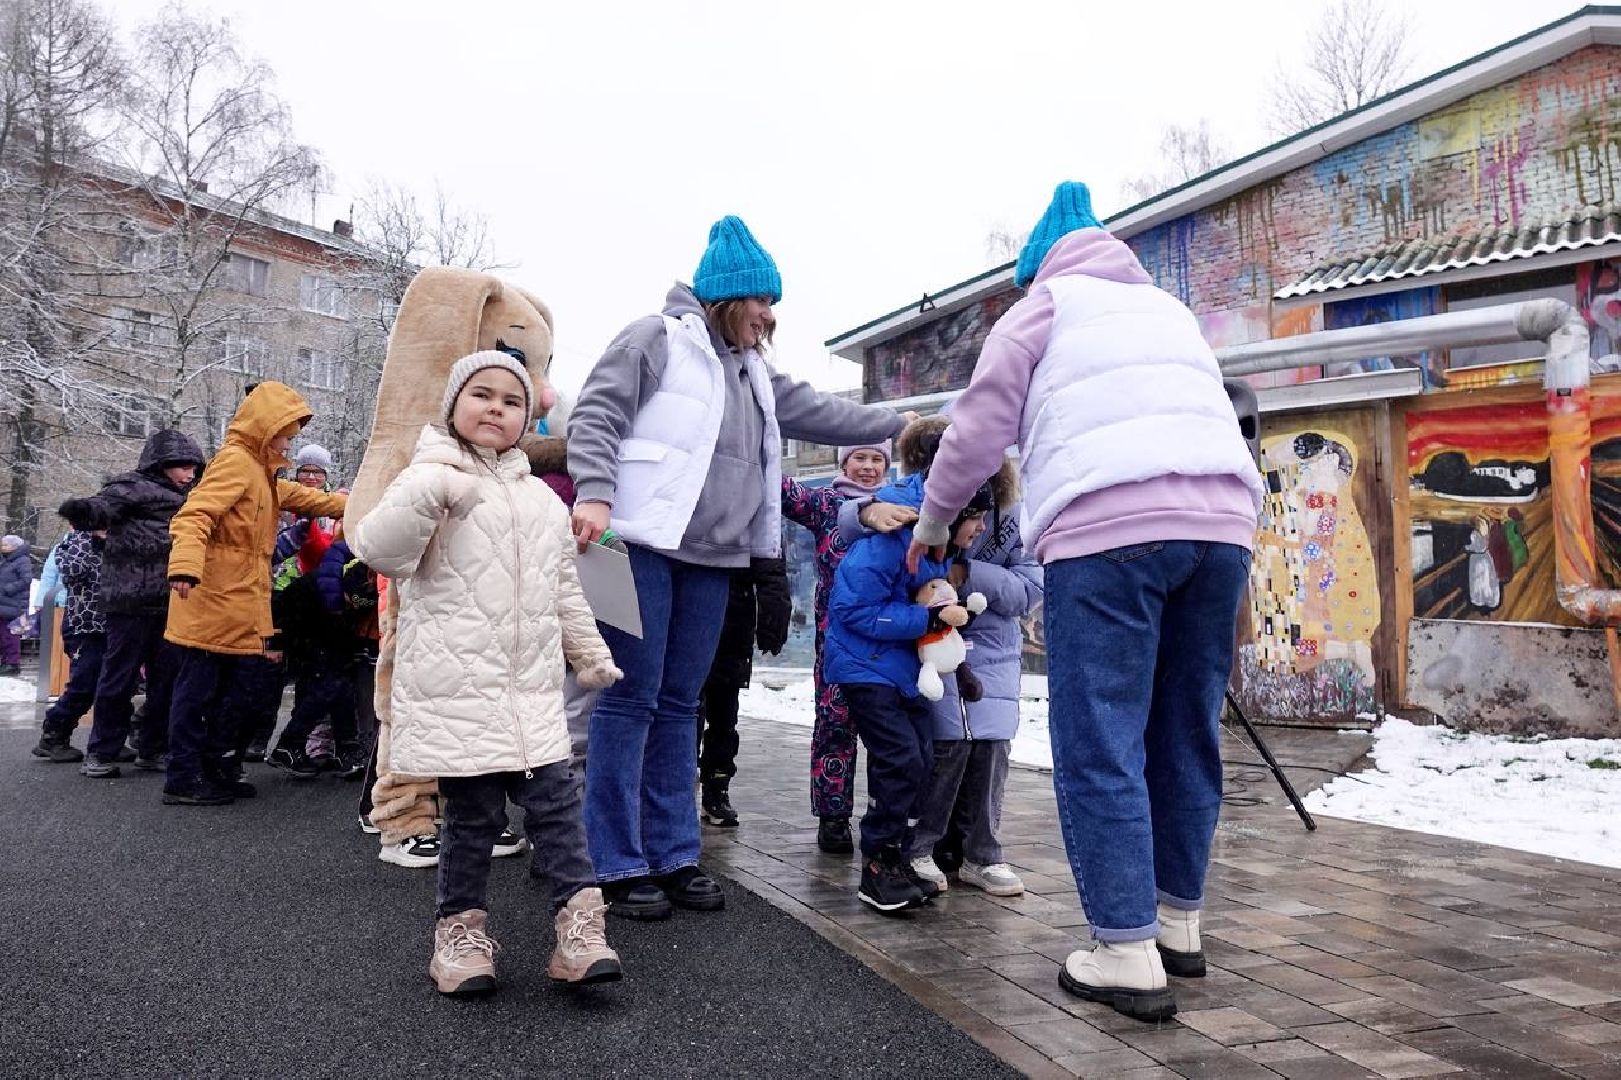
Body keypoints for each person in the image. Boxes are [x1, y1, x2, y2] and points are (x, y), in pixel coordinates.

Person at [904, 181, 1261, 1022]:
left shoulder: (1042, 308)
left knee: (1101, 732)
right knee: (1184, 726)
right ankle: (1178, 924)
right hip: (1221, 528)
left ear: (1038, 267)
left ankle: (1123, 949)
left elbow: (977, 429)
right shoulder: (1168, 310)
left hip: (1107, 529)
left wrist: (933, 520)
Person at [568, 215, 907, 920]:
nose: (770, 316)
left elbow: (818, 410)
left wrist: (899, 426)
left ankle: (673, 853)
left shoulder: (753, 373)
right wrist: (594, 494)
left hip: (712, 557)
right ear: (729, 296)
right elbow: (596, 414)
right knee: (627, 699)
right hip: (619, 542)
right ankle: (615, 860)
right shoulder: (653, 339)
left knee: (680, 704)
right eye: (762, 301)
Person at [352, 349, 625, 995]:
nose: (495, 408)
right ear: (453, 404)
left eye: (511, 401)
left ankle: (579, 933)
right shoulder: (426, 476)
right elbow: (379, 551)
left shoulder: (540, 500)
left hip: (531, 695)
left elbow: (565, 590)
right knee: (471, 822)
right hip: (458, 693)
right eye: (482, 394)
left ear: (525, 419)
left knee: (558, 812)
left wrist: (588, 653)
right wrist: (428, 491)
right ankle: (458, 939)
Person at [162, 382, 348, 806]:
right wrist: (186, 566)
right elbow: (194, 516)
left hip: (239, 602)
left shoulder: (260, 472)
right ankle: (185, 776)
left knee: (242, 691)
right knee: (199, 693)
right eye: (286, 431)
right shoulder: (236, 463)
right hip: (210, 600)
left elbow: (304, 497)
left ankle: (216, 766)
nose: (290, 440)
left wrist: (359, 505)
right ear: (266, 427)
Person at [825, 464, 993, 913]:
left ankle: (895, 859)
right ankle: (877, 867)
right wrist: (930, 619)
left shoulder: (937, 550)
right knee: (900, 760)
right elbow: (853, 610)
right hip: (867, 668)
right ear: (953, 514)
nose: (980, 530)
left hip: (903, 670)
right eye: (976, 518)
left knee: (919, 761)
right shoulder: (887, 543)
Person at [782, 441, 911, 855]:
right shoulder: (825, 503)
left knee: (887, 730)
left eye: (878, 459)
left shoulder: (899, 505)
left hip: (888, 638)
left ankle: (884, 815)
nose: (869, 467)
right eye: (860, 458)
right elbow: (777, 487)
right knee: (835, 722)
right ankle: (833, 817)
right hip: (835, 638)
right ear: (844, 462)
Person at [75, 429, 207, 778]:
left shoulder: (192, 496)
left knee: (167, 679)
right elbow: (102, 506)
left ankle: (152, 746)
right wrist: (85, 512)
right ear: (162, 464)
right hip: (129, 601)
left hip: (170, 601)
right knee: (119, 677)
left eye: (193, 467)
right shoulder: (130, 486)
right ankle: (102, 750)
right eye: (182, 467)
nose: (189, 474)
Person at [696, 556, 790, 826]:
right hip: (692, 604)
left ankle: (717, 786)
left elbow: (770, 562)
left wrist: (774, 615)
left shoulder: (752, 517)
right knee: (685, 711)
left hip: (734, 619)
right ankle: (678, 785)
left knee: (724, 714)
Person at [31, 501, 111, 762]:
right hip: (84, 625)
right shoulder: (74, 545)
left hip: (108, 624)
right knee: (83, 684)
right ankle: (53, 736)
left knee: (112, 685)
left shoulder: (106, 546)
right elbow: (72, 571)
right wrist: (87, 537)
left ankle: (110, 739)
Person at [0, 534, 30, 677]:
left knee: (11, 634)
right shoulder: (5, 560)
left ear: (14, 546)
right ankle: (5, 662)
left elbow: (26, 579)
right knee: (3, 634)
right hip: (4, 603)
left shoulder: (22, 560)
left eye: (5, 545)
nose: (2, 547)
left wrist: (8, 588)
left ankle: (12, 663)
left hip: (14, 603)